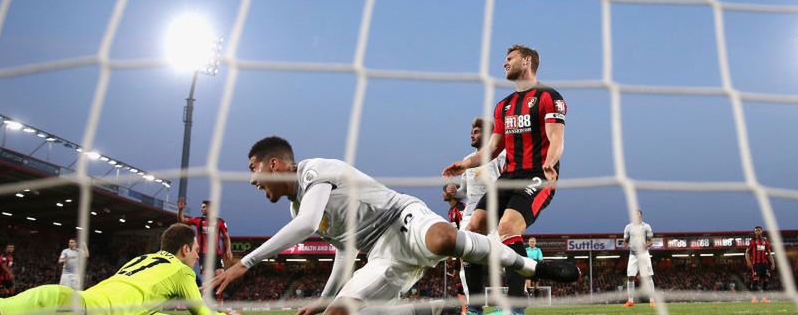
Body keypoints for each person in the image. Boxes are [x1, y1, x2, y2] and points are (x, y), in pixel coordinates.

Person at [209, 136, 578, 315]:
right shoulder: (296, 208)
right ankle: (438, 308)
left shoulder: (314, 171)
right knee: (339, 314)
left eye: (253, 170)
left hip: (402, 217)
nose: (253, 180)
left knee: (442, 238)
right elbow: (344, 250)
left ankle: (533, 266)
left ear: (274, 164)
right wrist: (325, 300)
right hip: (382, 256)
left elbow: (306, 224)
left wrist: (245, 263)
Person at [444, 45, 566, 315]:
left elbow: (556, 137)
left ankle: (515, 307)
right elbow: (493, 149)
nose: (504, 64)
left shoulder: (549, 97)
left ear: (526, 61)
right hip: (507, 176)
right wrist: (464, 164)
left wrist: (550, 161)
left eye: (509, 59)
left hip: (537, 175)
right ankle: (475, 308)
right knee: (472, 229)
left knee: (508, 227)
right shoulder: (504, 106)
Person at [0, 224, 229, 315]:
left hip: (86, 301)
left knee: (5, 304)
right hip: (93, 310)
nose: (198, 255)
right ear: (185, 250)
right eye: (196, 249)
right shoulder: (181, 271)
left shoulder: (142, 259)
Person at [448, 117, 506, 314]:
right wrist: (453, 193)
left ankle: (501, 305)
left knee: (496, 259)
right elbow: (465, 191)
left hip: (493, 215)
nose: (472, 134)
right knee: (467, 257)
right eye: (472, 131)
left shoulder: (500, 156)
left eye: (477, 131)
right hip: (469, 216)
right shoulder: (468, 159)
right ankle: (474, 307)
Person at [177, 197, 233, 279]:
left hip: (216, 254)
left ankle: (216, 292)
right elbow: (181, 221)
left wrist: (228, 249)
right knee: (208, 276)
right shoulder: (198, 220)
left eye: (203, 207)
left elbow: (226, 237)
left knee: (220, 275)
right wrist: (180, 210)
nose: (201, 209)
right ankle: (206, 291)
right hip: (203, 254)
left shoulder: (220, 221)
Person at [622, 211, 655, 307]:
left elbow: (650, 241)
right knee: (630, 277)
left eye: (639, 216)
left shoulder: (646, 226)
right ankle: (630, 301)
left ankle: (652, 300)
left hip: (644, 254)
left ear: (641, 216)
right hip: (633, 255)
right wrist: (625, 243)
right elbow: (626, 240)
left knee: (648, 277)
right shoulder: (628, 227)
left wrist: (645, 245)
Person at [745, 226, 776, 303]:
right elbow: (747, 253)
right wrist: (748, 261)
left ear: (761, 231)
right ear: (755, 232)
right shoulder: (752, 241)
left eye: (759, 230)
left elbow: (769, 253)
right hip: (756, 264)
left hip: (764, 264)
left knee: (766, 280)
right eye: (756, 231)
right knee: (756, 280)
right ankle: (754, 298)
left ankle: (764, 299)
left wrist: (773, 262)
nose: (757, 232)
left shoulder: (765, 241)